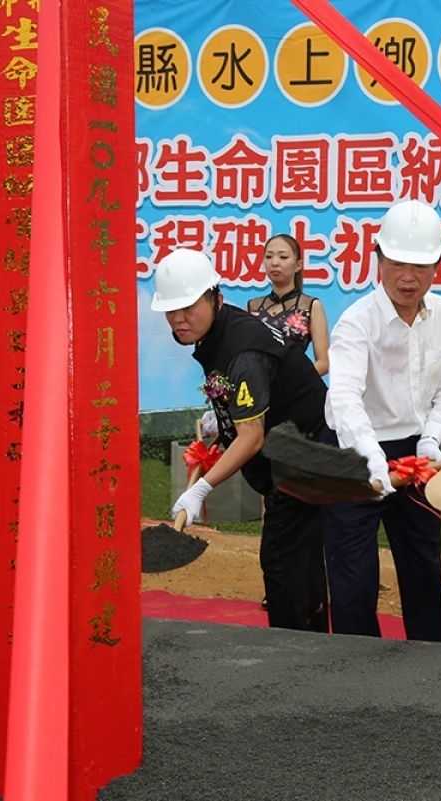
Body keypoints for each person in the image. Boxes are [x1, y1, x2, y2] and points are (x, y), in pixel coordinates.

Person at [154, 247, 329, 632]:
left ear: (215, 298)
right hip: (293, 449)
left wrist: (201, 489)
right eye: (171, 310)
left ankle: (293, 653)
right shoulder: (223, 326)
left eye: (188, 308)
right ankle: (317, 647)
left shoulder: (243, 348)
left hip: (304, 455)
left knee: (281, 559)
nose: (178, 320)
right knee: (302, 558)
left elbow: (252, 437)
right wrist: (223, 420)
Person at [322, 199, 441, 643]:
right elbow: (344, 398)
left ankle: (431, 667)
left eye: (421, 266)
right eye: (398, 264)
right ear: (378, 259)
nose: (409, 277)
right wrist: (369, 455)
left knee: (424, 562)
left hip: (416, 451)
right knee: (353, 574)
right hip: (354, 454)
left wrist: (432, 437)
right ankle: (356, 674)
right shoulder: (356, 322)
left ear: (440, 265)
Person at [247, 233, 330, 376]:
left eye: (283, 257)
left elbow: (324, 362)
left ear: (298, 265)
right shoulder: (252, 307)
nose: (274, 262)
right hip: (258, 391)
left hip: (295, 392)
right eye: (269, 257)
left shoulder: (311, 306)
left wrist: (295, 383)